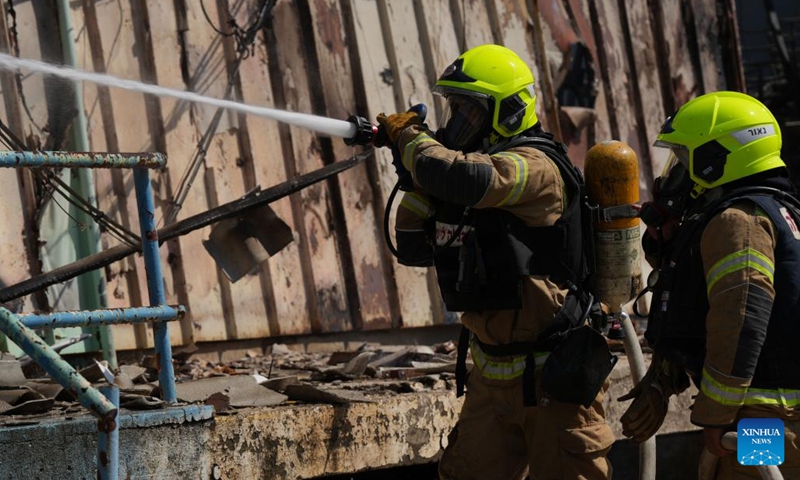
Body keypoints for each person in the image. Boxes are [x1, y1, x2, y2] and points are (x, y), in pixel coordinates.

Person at [377, 44, 615, 480]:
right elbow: (411, 247)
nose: (457, 124)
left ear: (507, 112)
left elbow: (470, 179)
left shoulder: (535, 167)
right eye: (454, 111)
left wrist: (414, 143)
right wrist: (415, 179)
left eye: (468, 112)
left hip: (553, 378)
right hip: (490, 376)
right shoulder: (468, 173)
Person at [620, 90, 800, 478]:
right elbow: (697, 305)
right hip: (773, 417)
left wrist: (715, 416)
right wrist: (662, 381)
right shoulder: (775, 213)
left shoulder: (739, 222)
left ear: (717, 161)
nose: (674, 175)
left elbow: (738, 322)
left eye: (684, 161)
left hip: (760, 422)